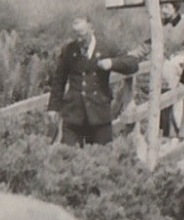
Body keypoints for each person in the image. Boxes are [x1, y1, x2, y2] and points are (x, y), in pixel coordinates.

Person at [48, 16, 138, 146]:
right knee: (67, 156)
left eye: (82, 35)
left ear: (92, 29)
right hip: (74, 114)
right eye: (76, 35)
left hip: (99, 114)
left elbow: (132, 64)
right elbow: (59, 80)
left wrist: (112, 63)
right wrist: (53, 107)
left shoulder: (106, 47)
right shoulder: (68, 50)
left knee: (102, 157)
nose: (79, 40)